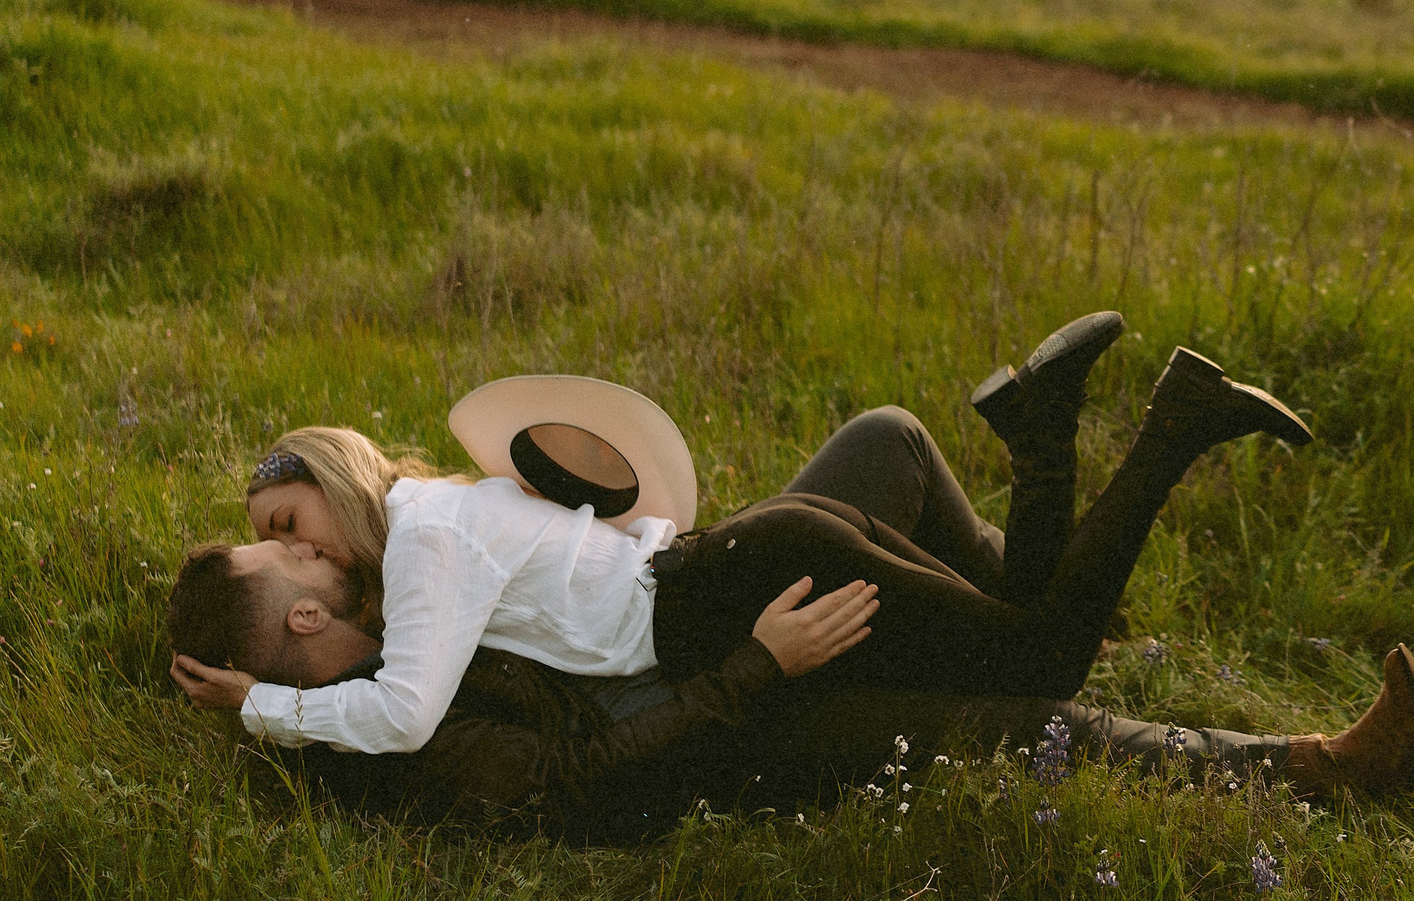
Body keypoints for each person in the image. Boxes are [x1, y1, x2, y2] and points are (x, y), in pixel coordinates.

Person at [167, 411, 1414, 837]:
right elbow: (581, 786)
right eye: (283, 550)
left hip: (704, 608)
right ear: (306, 613)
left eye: (284, 520)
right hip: (733, 718)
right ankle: (1321, 769)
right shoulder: (398, 727)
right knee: (1010, 711)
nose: (301, 538)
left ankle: (1025, 595)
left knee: (879, 446)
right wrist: (758, 668)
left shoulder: (397, 583)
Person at [171, 318, 1310, 756]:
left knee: (1042, 659)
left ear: (333, 481)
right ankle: (1043, 425)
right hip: (735, 561)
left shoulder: (424, 544)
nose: (308, 549)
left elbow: (406, 713)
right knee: (1024, 631)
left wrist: (259, 705)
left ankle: (1169, 429)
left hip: (727, 590)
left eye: (289, 523)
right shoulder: (452, 507)